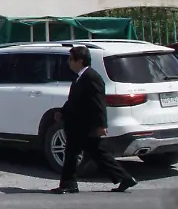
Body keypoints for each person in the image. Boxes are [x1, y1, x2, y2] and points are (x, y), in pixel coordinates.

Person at [52, 45, 137, 194]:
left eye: (71, 60)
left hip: (86, 125)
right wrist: (62, 112)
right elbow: (74, 101)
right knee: (79, 153)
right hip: (77, 124)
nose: (69, 63)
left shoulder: (92, 78)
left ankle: (69, 184)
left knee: (90, 153)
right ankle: (123, 178)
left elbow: (98, 103)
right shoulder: (80, 77)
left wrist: (101, 125)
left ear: (80, 61)